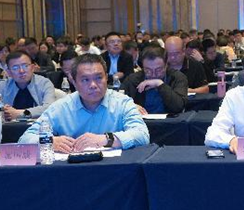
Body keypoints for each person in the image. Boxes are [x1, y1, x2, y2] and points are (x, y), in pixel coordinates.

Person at [18, 53, 149, 152]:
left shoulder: (122, 102)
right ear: (74, 82)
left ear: (106, 78)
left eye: (99, 78)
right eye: (85, 80)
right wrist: (50, 141)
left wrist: (106, 139)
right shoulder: (61, 107)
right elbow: (25, 139)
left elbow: (142, 135)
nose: (93, 85)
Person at [0, 51, 56, 121]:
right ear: (9, 72)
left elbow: (50, 108)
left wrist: (20, 113)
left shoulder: (44, 83)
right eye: (15, 68)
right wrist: (2, 111)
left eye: (25, 66)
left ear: (32, 68)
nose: (21, 71)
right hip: (9, 127)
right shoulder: (3, 85)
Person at [122, 45, 188, 114]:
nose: (153, 74)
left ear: (166, 65)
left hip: (170, 119)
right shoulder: (133, 79)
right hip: (140, 119)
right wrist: (131, 106)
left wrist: (160, 84)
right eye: (148, 70)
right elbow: (118, 100)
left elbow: (179, 107)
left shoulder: (177, 77)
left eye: (158, 70)